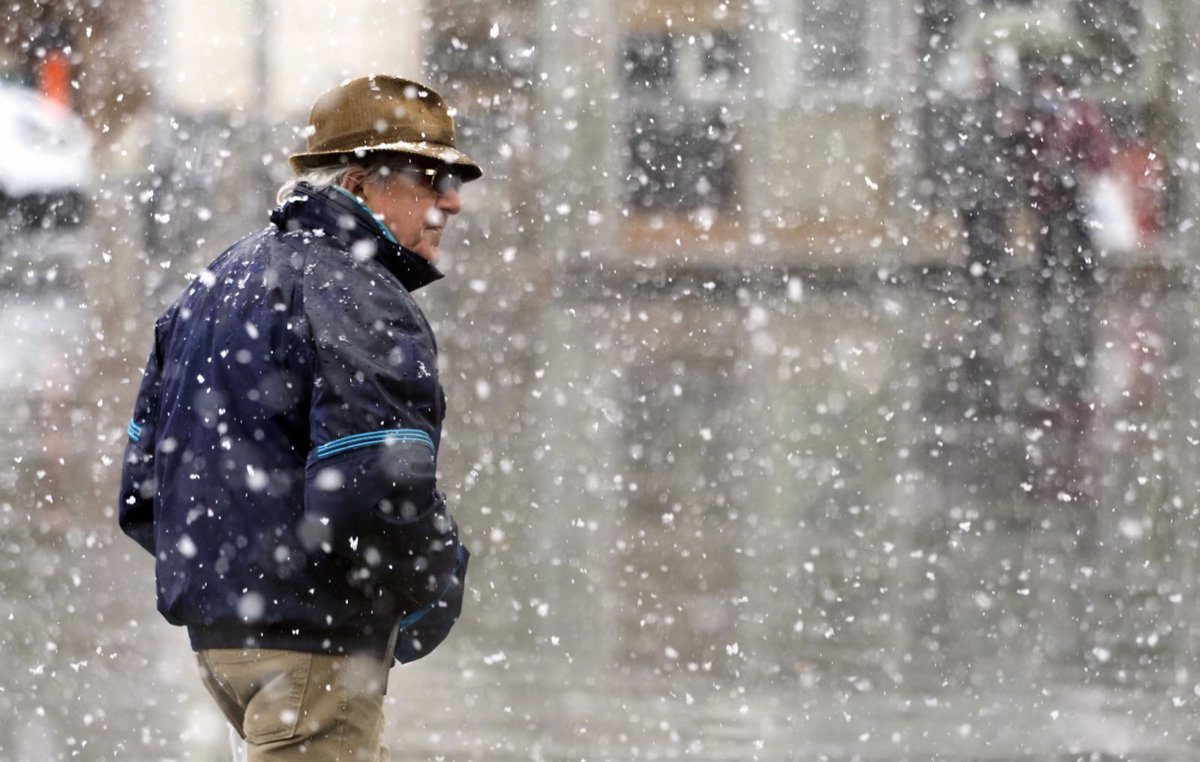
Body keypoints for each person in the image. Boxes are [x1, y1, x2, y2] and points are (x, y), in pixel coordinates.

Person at [118, 74, 480, 760]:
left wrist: (233, 589)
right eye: (430, 178)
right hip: (316, 652)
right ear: (357, 184)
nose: (452, 202)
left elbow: (144, 495)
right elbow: (379, 487)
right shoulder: (361, 296)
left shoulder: (213, 285)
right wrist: (438, 581)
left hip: (225, 647)